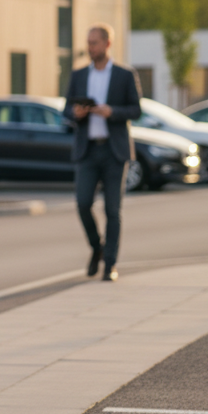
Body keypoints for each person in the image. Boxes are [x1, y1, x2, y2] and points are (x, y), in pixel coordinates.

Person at [63, 23, 142, 281]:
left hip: (114, 151)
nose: (90, 47)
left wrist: (112, 112)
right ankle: (97, 247)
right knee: (83, 203)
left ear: (107, 44)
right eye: (88, 43)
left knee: (112, 211)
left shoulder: (124, 75)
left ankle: (110, 264)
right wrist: (76, 113)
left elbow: (136, 110)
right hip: (87, 151)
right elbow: (66, 109)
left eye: (94, 43)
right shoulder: (79, 75)